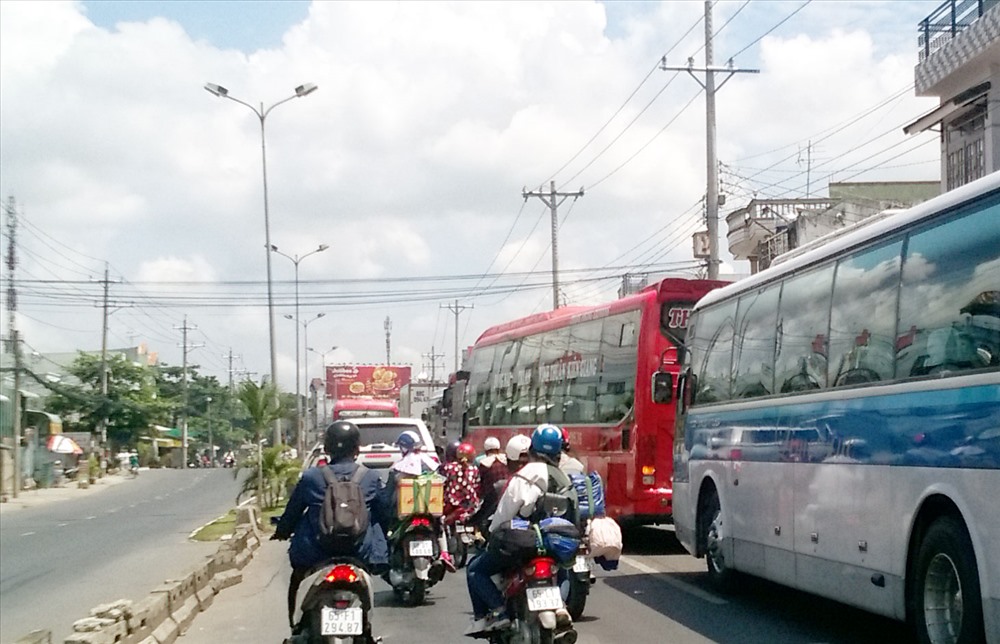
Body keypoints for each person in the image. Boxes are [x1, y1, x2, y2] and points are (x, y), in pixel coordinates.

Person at [273, 420, 389, 630]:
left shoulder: (310, 477)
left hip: (316, 554)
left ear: (327, 449)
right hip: (359, 552)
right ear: (357, 448)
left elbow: (292, 514)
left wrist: (282, 530)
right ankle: (367, 629)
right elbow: (384, 513)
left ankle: (295, 626)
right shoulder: (370, 477)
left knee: (297, 579)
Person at [464, 424, 568, 635]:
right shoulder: (563, 476)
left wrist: (493, 536)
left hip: (521, 544)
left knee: (475, 570)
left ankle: (498, 612)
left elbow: (504, 514)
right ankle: (561, 606)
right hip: (554, 542)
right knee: (565, 567)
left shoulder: (524, 476)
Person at [441, 442, 480, 525]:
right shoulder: (474, 469)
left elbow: (443, 481)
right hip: (470, 505)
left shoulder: (449, 467)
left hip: (450, 503)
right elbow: (477, 486)